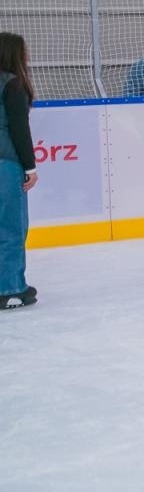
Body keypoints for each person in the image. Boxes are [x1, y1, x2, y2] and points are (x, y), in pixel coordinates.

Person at [0, 32, 39, 310]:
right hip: (5, 163)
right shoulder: (13, 85)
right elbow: (19, 130)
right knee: (11, 227)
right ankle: (11, 287)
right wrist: (30, 166)